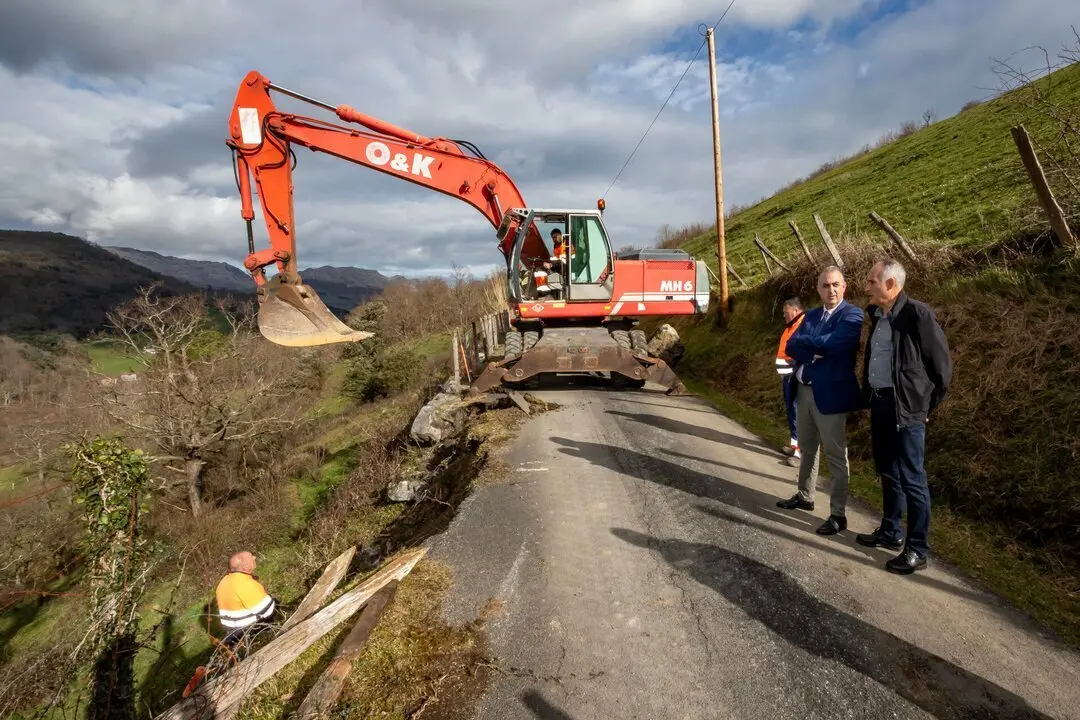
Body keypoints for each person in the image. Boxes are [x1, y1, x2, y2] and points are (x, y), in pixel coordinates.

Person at [855, 259, 952, 575]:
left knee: (912, 477)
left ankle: (917, 549)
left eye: (871, 281)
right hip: (881, 404)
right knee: (888, 470)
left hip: (906, 409)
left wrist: (922, 408)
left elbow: (941, 370)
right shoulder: (878, 316)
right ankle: (891, 530)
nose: (866, 286)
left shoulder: (917, 315)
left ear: (890, 285)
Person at [775, 266, 864, 536]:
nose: (831, 289)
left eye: (836, 284)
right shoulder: (811, 314)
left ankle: (838, 514)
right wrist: (817, 348)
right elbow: (792, 345)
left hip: (831, 394)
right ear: (818, 289)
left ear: (844, 286)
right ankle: (805, 495)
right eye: (825, 285)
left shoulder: (853, 314)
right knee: (807, 447)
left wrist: (811, 346)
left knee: (836, 455)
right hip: (803, 390)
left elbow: (836, 345)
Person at [215, 550, 277, 652]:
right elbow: (266, 610)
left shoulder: (224, 581)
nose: (254, 558)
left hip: (229, 627)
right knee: (274, 603)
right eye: (251, 556)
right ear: (244, 567)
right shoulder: (243, 583)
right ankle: (266, 633)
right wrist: (273, 601)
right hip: (245, 627)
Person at [775, 298, 805, 466]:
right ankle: (794, 446)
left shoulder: (802, 325)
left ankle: (800, 453)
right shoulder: (792, 325)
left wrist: (793, 369)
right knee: (791, 412)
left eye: (786, 313)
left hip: (795, 376)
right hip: (788, 376)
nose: (784, 316)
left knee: (797, 412)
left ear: (795, 310)